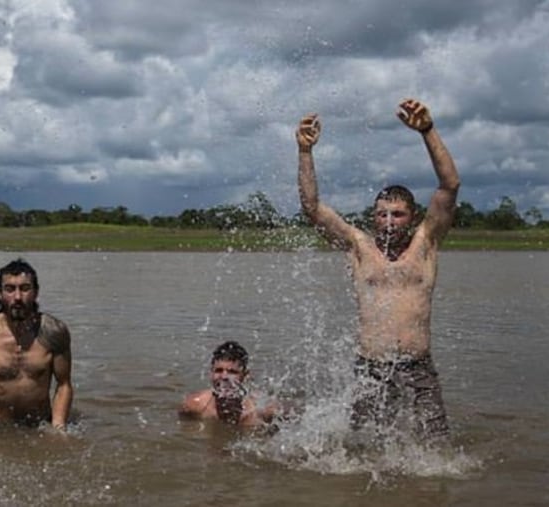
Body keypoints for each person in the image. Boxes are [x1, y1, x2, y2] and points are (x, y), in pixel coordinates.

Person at [295, 98, 460, 440]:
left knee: (435, 447)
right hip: (370, 368)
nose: (387, 222)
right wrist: (305, 152)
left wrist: (427, 131)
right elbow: (312, 208)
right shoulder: (359, 246)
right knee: (362, 448)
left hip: (417, 367)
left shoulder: (426, 243)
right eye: (381, 214)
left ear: (411, 217)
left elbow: (449, 186)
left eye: (397, 214)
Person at [0, 258, 73, 434]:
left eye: (25, 289)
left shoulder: (54, 332)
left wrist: (58, 427)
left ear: (36, 292)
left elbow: (64, 384)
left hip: (39, 425)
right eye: (10, 289)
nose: (17, 297)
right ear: (0, 293)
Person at [179, 341, 278, 428]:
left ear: (245, 376)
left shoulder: (262, 410)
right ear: (211, 373)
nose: (224, 377)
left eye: (232, 372)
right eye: (218, 370)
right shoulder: (194, 405)